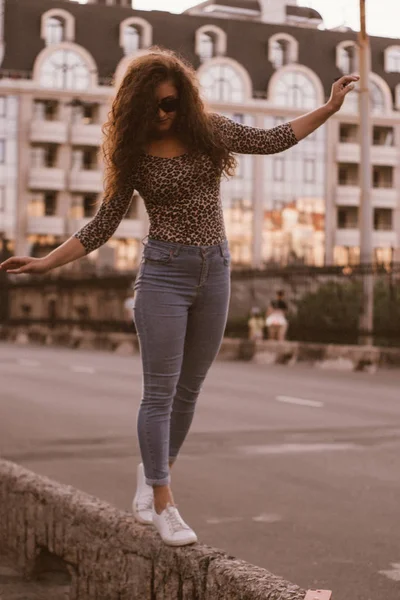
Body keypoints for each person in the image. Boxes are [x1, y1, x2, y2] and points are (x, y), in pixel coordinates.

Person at [0, 49, 359, 546]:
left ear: (184, 98)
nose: (164, 114)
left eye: (171, 103)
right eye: (154, 107)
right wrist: (43, 263)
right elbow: (103, 226)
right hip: (163, 276)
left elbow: (272, 139)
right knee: (160, 393)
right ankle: (164, 501)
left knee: (190, 391)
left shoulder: (207, 130)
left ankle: (152, 476)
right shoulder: (133, 153)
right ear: (136, 109)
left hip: (216, 272)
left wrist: (327, 108)